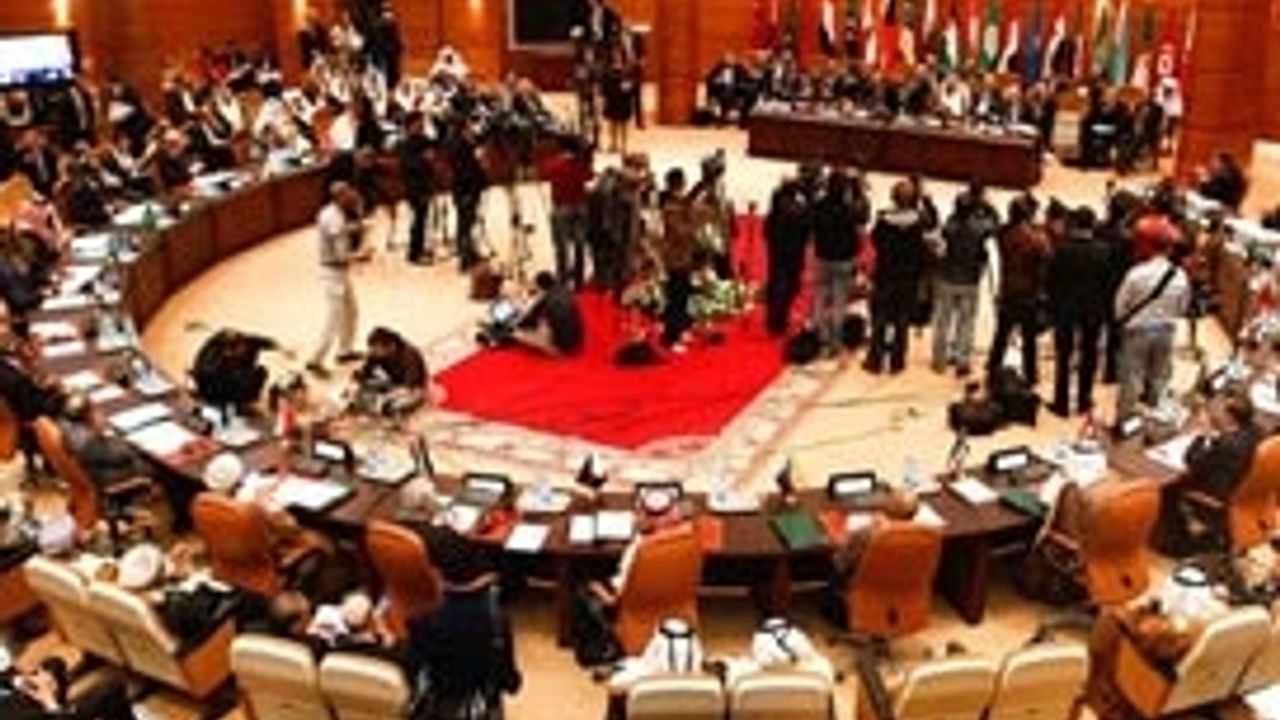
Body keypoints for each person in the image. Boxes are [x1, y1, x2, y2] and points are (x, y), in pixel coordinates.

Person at [407, 528, 521, 720]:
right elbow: (510, 683)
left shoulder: (421, 622)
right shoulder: (497, 621)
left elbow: (413, 672)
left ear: (436, 573)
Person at [1113, 220, 1190, 419]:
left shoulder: (1136, 273)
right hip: (1166, 331)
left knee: (1131, 380)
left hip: (1137, 331)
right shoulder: (1180, 275)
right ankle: (1153, 421)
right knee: (1159, 379)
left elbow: (1119, 307)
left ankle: (1125, 423)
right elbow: (1182, 308)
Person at [1046, 207, 1112, 417]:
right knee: (1089, 355)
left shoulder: (1061, 249)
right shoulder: (1104, 251)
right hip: (1093, 309)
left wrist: (1053, 305)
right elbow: (1108, 283)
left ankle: (1061, 402)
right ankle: (1084, 399)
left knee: (1063, 356)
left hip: (1065, 308)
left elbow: (1051, 281)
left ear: (1074, 225)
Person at [931, 180, 998, 377]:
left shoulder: (950, 225)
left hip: (948, 276)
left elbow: (943, 233)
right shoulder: (979, 227)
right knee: (966, 321)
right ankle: (962, 360)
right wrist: (988, 206)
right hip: (970, 279)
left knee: (943, 320)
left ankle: (939, 360)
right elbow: (995, 224)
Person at [307, 182, 372, 377]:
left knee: (351, 311)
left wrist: (357, 226)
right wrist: (361, 256)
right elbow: (341, 255)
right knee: (333, 318)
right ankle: (315, 360)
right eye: (348, 193)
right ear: (339, 197)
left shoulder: (330, 212)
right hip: (333, 273)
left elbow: (342, 231)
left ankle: (345, 350)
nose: (352, 195)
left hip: (339, 272)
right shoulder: (334, 219)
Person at [865, 181, 928, 375]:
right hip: (907, 279)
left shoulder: (883, 221)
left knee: (880, 318)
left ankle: (875, 359)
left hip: (885, 275)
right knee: (902, 320)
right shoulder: (918, 224)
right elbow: (921, 253)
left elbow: (875, 242)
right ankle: (897, 360)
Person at [987, 193, 1050, 385]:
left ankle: (993, 369)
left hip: (1008, 289)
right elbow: (1045, 259)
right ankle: (1031, 375)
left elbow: (996, 226)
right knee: (1029, 340)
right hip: (1028, 294)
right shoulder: (1036, 239)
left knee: (1001, 335)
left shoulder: (1003, 234)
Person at [811, 170, 868, 359]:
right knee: (839, 301)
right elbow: (857, 234)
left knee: (820, 297)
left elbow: (813, 229)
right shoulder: (849, 210)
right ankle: (835, 342)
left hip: (823, 257)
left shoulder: (819, 205)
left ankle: (821, 338)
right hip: (843, 259)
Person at [0, 656, 138, 720]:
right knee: (110, 691)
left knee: (55, 664)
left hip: (30, 701)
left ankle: (89, 665)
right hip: (51, 712)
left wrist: (20, 681)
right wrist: (49, 702)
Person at [539, 137, 595, 288]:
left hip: (561, 208)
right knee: (579, 245)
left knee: (561, 247)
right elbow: (589, 176)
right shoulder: (581, 162)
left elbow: (543, 174)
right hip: (580, 207)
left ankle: (562, 280)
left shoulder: (555, 163)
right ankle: (579, 280)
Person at [657, 169, 700, 348]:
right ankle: (670, 337)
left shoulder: (680, 204)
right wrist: (692, 219)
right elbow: (681, 233)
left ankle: (680, 330)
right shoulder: (670, 207)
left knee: (683, 297)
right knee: (675, 298)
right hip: (675, 260)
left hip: (684, 258)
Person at [764, 178, 811, 337]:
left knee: (776, 284)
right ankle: (779, 319)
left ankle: (773, 319)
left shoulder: (775, 208)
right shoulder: (797, 210)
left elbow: (767, 231)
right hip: (792, 254)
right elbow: (806, 228)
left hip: (777, 251)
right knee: (788, 287)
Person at [355, 326, 428, 414]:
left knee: (396, 406)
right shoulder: (377, 354)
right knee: (364, 390)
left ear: (391, 346)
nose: (373, 352)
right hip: (393, 385)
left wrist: (387, 397)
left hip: (412, 389)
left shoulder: (409, 355)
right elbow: (365, 374)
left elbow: (410, 386)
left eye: (376, 348)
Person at [513, 271, 585, 356]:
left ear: (541, 287)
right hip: (577, 338)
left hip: (564, 346)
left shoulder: (550, 301)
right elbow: (537, 310)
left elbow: (535, 315)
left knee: (521, 335)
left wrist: (521, 329)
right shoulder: (562, 289)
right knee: (541, 322)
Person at [448, 122, 487, 272]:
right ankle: (466, 258)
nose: (472, 131)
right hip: (465, 189)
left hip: (467, 189)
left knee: (466, 223)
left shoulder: (464, 145)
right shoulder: (460, 147)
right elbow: (465, 170)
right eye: (469, 129)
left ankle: (469, 253)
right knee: (465, 223)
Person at [398, 111, 435, 264]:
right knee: (418, 220)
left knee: (423, 218)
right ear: (410, 125)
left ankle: (421, 248)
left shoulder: (424, 140)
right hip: (414, 185)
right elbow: (407, 165)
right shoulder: (405, 143)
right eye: (418, 122)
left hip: (426, 183)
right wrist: (424, 159)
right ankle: (414, 253)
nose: (421, 125)